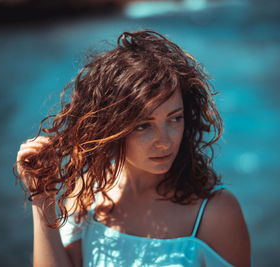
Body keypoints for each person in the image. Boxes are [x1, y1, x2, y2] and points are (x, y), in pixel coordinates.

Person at [16, 30, 250, 267]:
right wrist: (42, 199)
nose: (165, 141)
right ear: (112, 125)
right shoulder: (87, 195)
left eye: (175, 118)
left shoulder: (215, 212)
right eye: (143, 125)